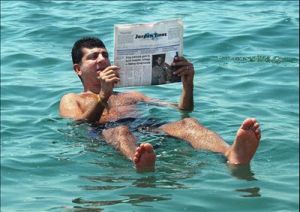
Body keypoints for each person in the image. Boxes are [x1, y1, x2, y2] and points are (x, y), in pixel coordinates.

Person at [60, 37, 261, 172]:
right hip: (106, 132)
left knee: (188, 123)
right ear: (78, 69)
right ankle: (139, 162)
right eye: (93, 56)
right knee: (120, 130)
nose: (102, 59)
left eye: (105, 55)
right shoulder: (72, 99)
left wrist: (188, 84)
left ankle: (232, 153)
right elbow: (79, 125)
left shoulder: (132, 95)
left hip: (145, 128)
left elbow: (182, 109)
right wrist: (103, 96)